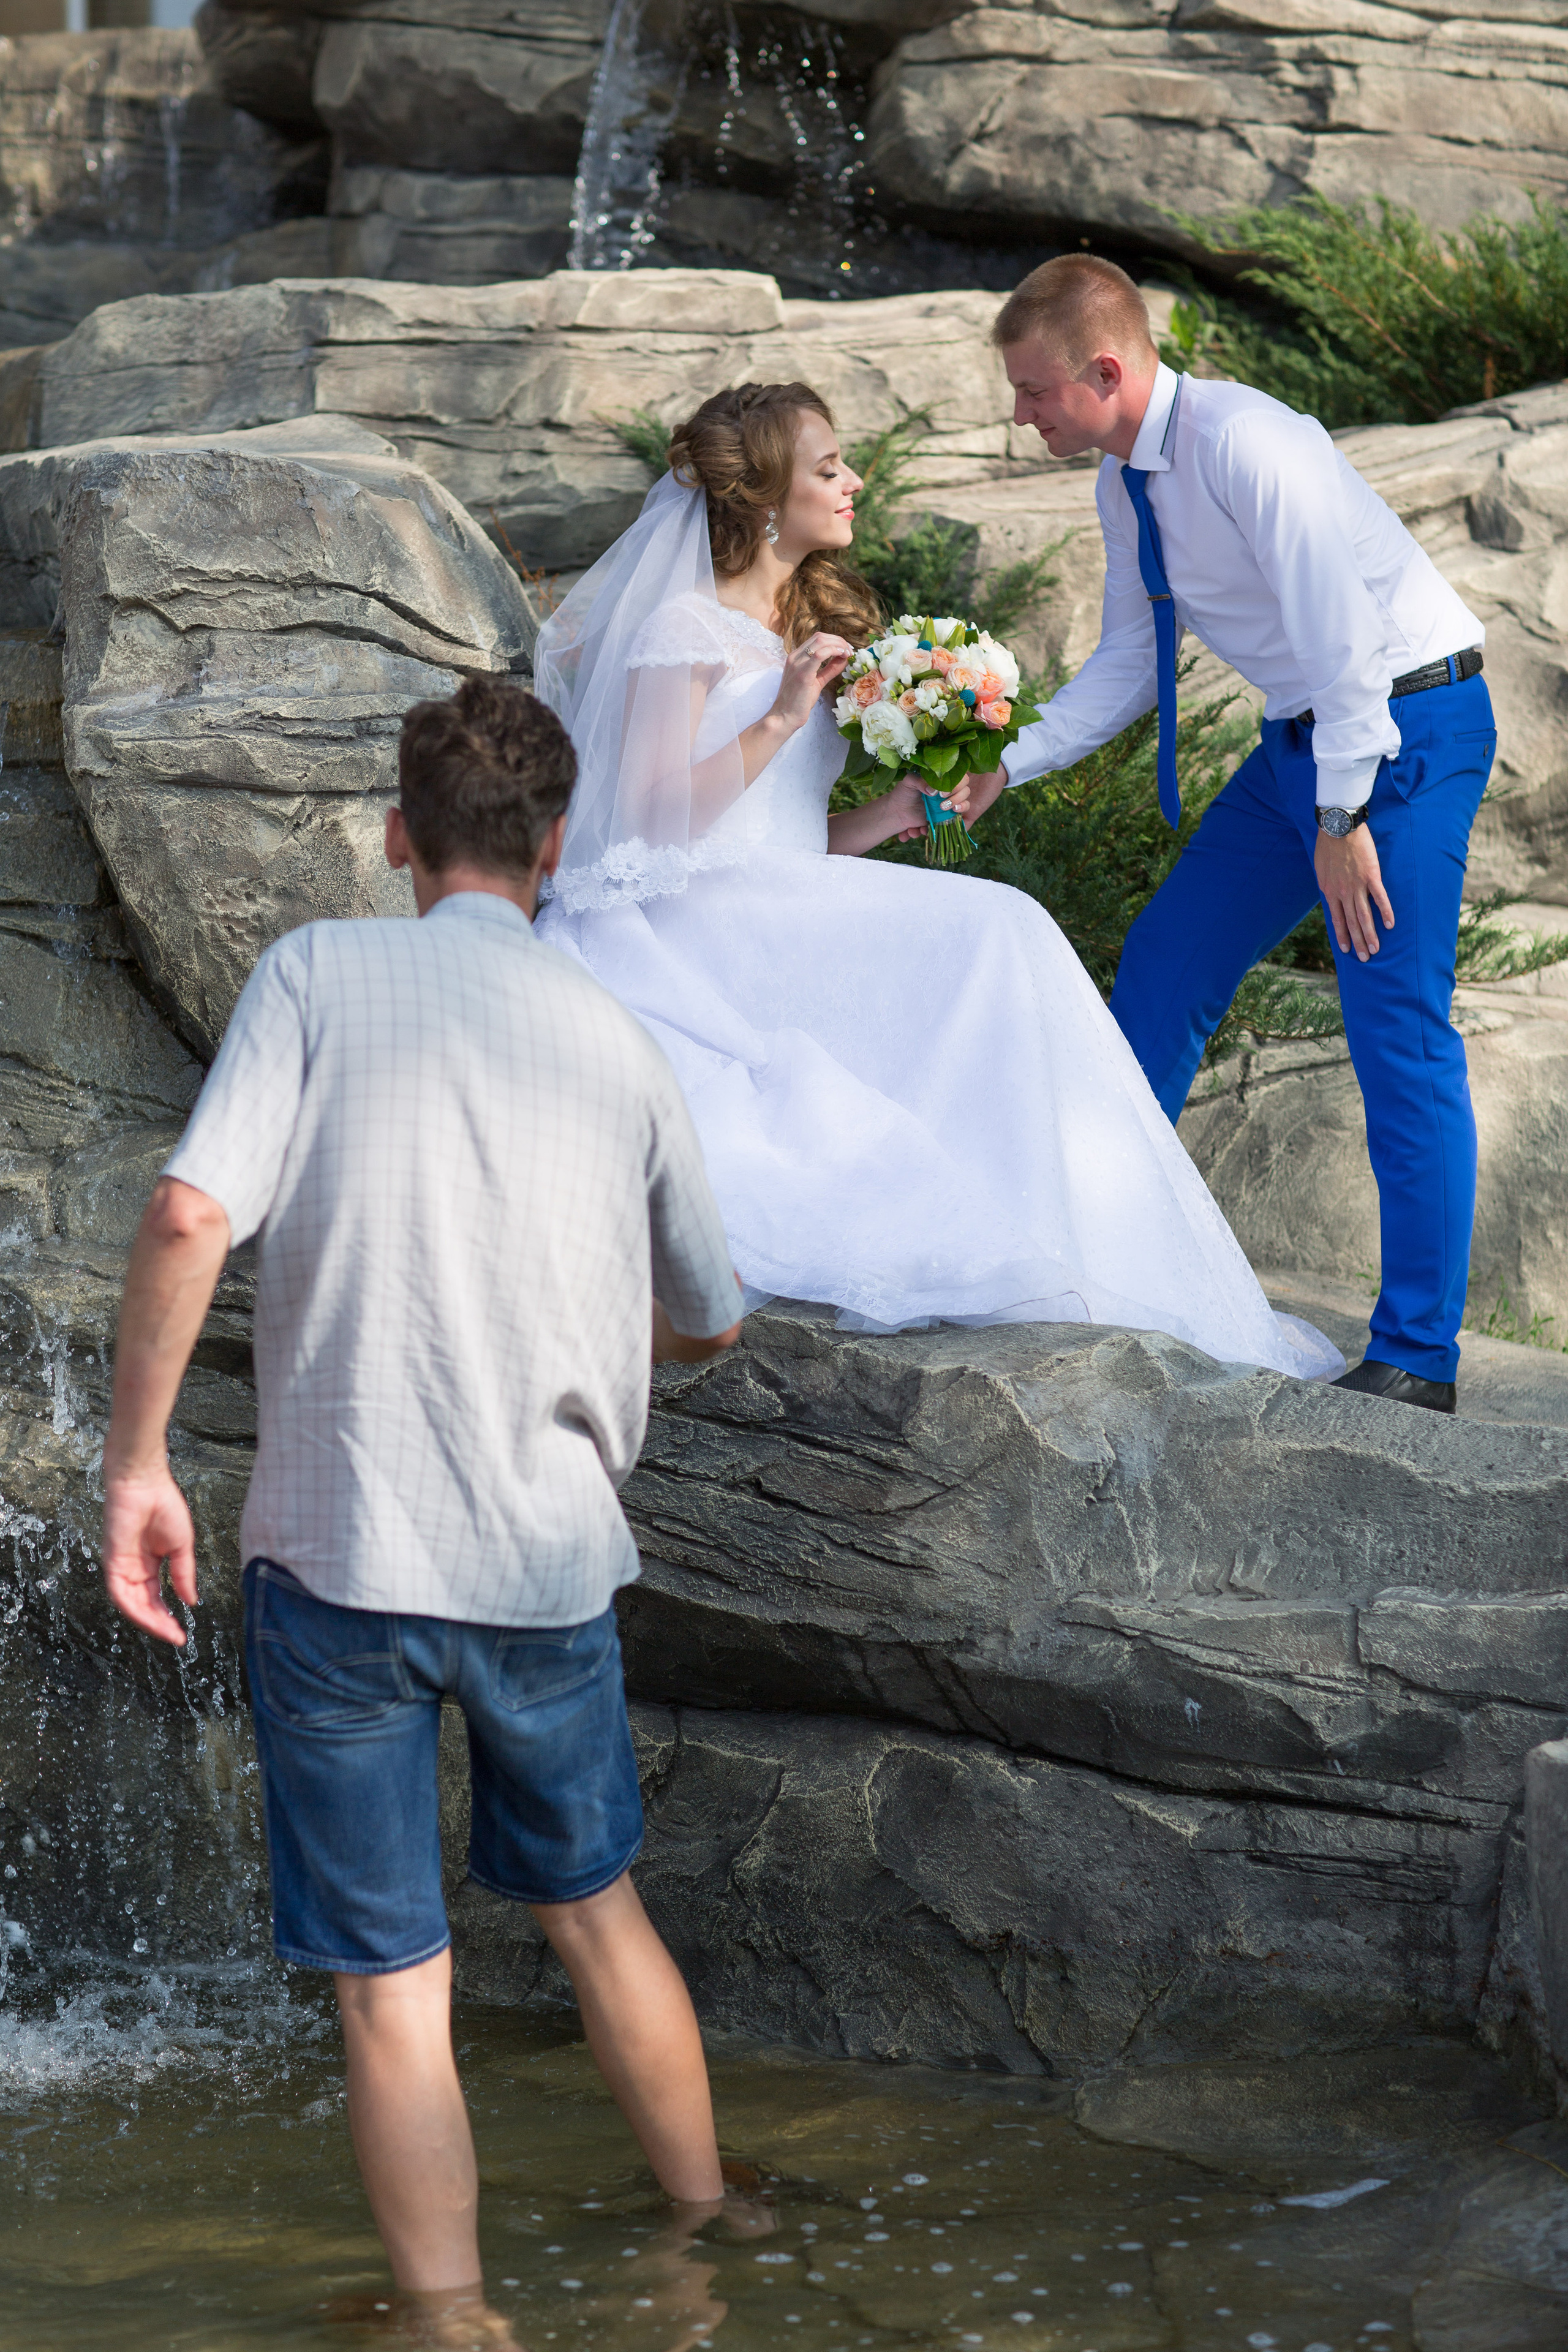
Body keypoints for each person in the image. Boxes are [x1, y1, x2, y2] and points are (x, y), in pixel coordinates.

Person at [99, 677, 747, 2350]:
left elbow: (188, 1215)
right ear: (556, 849)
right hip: (547, 1567)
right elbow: (711, 1318)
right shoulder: (618, 1040)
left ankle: (451, 2323)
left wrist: (139, 1468)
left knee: (395, 1988)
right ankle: (707, 2241)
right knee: (596, 1914)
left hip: (342, 1558)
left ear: (398, 835)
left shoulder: (318, 975)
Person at [531, 379, 1340, 1381]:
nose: (853, 483)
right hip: (688, 925)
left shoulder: (800, 628)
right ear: (766, 497)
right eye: (829, 469)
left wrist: (894, 812)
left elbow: (789, 838)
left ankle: (1093, 1240)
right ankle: (1039, 1232)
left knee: (1006, 930)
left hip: (776, 901)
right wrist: (781, 716)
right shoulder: (684, 630)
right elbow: (654, 820)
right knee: (1001, 926)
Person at [971, 255, 1496, 1414]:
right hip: (1304, 742)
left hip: (1404, 729)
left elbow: (1345, 639)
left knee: (1396, 1030)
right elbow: (1130, 659)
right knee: (1166, 961)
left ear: (1106, 372)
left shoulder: (1251, 444)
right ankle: (1104, 1262)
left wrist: (1342, 815)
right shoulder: (1122, 483)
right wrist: (1010, 761)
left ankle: (1419, 1357)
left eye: (1034, 391)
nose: (1020, 415)